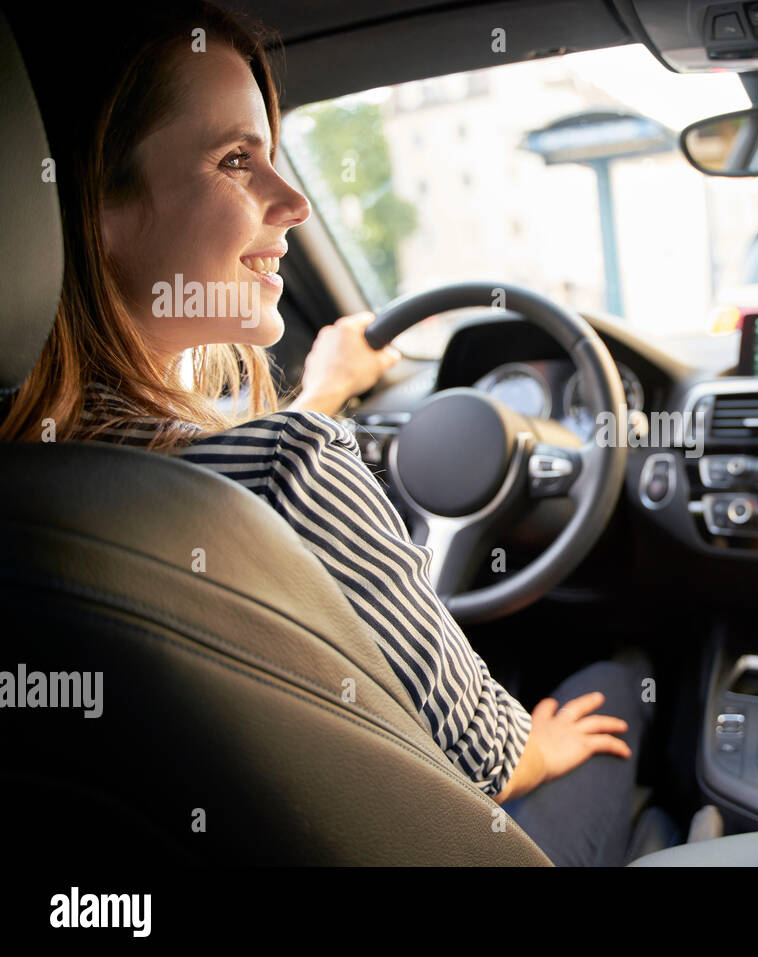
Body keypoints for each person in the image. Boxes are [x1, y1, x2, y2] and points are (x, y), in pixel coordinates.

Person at [1, 2, 652, 866]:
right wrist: (542, 744)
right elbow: (489, 760)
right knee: (617, 683)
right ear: (93, 208)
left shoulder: (38, 485)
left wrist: (321, 396)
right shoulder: (291, 469)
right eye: (237, 160)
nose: (295, 200)